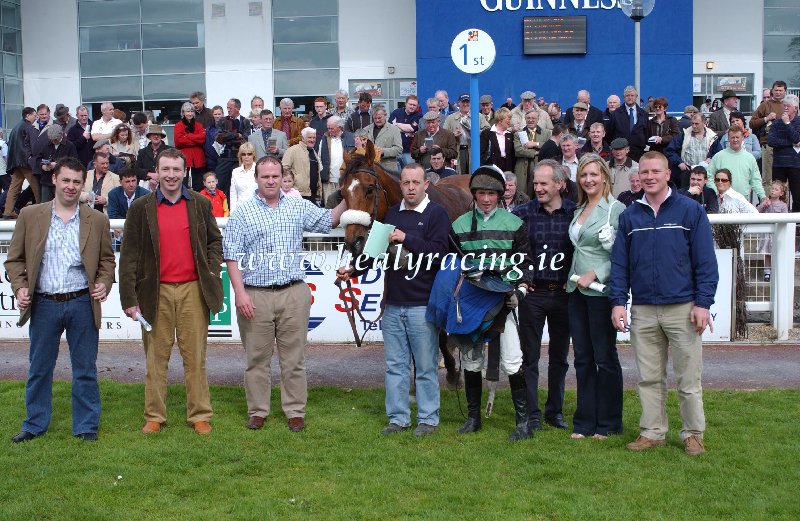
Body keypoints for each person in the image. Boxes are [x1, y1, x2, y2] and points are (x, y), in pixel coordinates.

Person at [223, 156, 347, 432]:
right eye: (265, 176)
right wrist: (240, 294)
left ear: (282, 178)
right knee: (257, 359)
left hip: (293, 292)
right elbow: (230, 256)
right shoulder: (242, 213)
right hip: (255, 295)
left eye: (275, 176)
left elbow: (329, 219)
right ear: (256, 178)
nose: (270, 181)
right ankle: (258, 411)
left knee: (294, 358)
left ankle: (294, 411)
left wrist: (351, 194)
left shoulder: (297, 206)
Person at [610, 151, 719, 456]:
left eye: (655, 171)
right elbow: (620, 266)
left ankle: (693, 433)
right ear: (638, 176)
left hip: (683, 308)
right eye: (644, 172)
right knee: (648, 377)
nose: (649, 177)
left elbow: (706, 263)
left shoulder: (689, 211)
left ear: (668, 174)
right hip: (643, 309)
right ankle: (652, 431)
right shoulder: (630, 216)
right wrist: (618, 302)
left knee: (688, 378)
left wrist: (703, 303)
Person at [5, 157, 115, 443]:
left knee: (85, 369)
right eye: (65, 180)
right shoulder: (31, 216)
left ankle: (86, 425)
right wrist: (20, 287)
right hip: (43, 303)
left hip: (81, 302)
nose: (70, 186)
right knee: (39, 368)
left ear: (83, 185)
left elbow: (106, 260)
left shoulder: (97, 219)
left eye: (77, 182)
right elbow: (14, 260)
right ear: (54, 179)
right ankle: (34, 423)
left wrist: (104, 283)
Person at [338, 162, 449, 436]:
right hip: (393, 304)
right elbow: (374, 253)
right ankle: (398, 418)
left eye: (416, 182)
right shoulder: (391, 214)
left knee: (424, 367)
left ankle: (428, 419)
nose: (411, 187)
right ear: (401, 185)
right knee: (395, 367)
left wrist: (406, 238)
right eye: (406, 183)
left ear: (426, 185)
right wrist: (352, 270)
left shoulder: (437, 214)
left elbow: (439, 253)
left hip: (422, 304)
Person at [119, 148, 224, 436]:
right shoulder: (140, 208)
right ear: (156, 172)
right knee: (155, 357)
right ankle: (154, 416)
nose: (171, 175)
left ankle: (200, 415)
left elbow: (215, 242)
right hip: (155, 292)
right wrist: (129, 299)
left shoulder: (201, 204)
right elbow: (128, 256)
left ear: (184, 172)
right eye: (165, 169)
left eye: (176, 169)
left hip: (193, 290)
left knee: (195, 357)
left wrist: (212, 270)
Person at [452, 164, 534, 441]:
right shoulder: (459, 225)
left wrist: (519, 292)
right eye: (481, 193)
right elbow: (451, 265)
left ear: (500, 195)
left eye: (491, 193)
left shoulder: (515, 225)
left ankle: (522, 423)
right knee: (472, 360)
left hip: (504, 301)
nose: (486, 199)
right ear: (474, 194)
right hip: (473, 301)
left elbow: (526, 264)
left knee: (512, 360)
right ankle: (473, 418)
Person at [512, 159, 575, 432]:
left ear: (560, 184)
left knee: (560, 357)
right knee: (530, 357)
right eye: (535, 183)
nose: (537, 188)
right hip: (534, 294)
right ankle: (532, 414)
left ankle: (555, 411)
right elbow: (513, 253)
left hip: (564, 294)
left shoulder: (576, 214)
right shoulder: (522, 213)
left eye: (543, 183)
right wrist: (524, 280)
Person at [566, 154, 625, 440]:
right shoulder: (579, 208)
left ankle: (609, 423)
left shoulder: (616, 209)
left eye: (593, 174)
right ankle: (585, 421)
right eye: (583, 175)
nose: (588, 180)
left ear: (604, 176)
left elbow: (623, 254)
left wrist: (598, 273)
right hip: (576, 291)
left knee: (605, 357)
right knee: (583, 358)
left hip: (601, 293)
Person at [706, 125, 764, 203]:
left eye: (737, 137)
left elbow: (756, 180)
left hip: (743, 202)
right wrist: (715, 191)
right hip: (721, 201)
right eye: (732, 137)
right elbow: (709, 176)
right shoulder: (718, 156)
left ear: (743, 138)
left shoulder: (750, 158)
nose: (735, 140)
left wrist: (762, 196)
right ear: (728, 139)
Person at [767, 93, 800, 212]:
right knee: (777, 195)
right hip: (779, 163)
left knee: (797, 197)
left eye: (788, 106)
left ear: (795, 108)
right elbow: (771, 141)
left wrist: (787, 123)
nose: (785, 108)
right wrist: (790, 143)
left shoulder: (798, 122)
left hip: (796, 164)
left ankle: (796, 226)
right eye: (784, 105)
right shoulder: (776, 123)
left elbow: (797, 138)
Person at [750, 80, 787, 185]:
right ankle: (767, 201)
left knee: (783, 180)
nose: (778, 92)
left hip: (785, 145)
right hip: (768, 144)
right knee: (767, 179)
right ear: (772, 91)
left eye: (780, 90)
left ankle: (782, 202)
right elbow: (752, 123)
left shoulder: (788, 105)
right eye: (776, 90)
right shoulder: (765, 105)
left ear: (785, 91)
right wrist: (766, 118)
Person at [513, 108, 551, 195]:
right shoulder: (518, 134)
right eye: (528, 118)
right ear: (525, 119)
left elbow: (548, 146)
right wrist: (535, 153)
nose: (530, 120)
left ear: (538, 119)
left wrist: (535, 144)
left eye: (533, 118)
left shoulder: (547, 133)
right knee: (522, 194)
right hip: (522, 169)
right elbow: (518, 150)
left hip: (540, 168)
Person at [758, 180, 789, 281]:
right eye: (772, 189)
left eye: (776, 189)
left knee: (777, 251)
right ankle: (767, 271)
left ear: (781, 193)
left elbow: (786, 219)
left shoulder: (783, 206)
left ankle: (777, 270)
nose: (773, 191)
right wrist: (763, 206)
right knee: (767, 252)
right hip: (767, 233)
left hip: (778, 232)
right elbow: (756, 212)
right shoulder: (766, 202)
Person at [608, 85, 648, 161]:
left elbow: (646, 133)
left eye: (632, 95)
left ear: (636, 96)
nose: (630, 97)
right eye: (627, 95)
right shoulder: (616, 114)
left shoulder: (643, 114)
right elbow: (609, 134)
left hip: (638, 154)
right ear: (624, 96)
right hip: (620, 153)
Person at [174, 101, 207, 191]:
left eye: (192, 111)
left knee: (198, 184)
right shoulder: (178, 126)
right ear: (183, 113)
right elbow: (178, 141)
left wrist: (188, 136)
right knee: (183, 182)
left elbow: (202, 139)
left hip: (198, 158)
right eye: (187, 111)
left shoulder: (198, 125)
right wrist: (195, 140)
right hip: (184, 157)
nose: (190, 113)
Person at [388, 95, 422, 169]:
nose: (412, 106)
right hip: (395, 151)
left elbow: (412, 129)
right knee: (396, 176)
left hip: (409, 152)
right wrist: (406, 129)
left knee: (410, 174)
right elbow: (390, 128)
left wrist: (396, 124)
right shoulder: (396, 112)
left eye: (414, 105)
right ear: (405, 104)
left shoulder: (418, 115)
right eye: (410, 104)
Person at [480, 107, 515, 172]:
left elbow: (512, 155)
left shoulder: (510, 134)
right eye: (508, 119)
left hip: (507, 168)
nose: (510, 121)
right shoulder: (486, 133)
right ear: (500, 120)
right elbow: (482, 154)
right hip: (491, 168)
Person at [229, 142, 258, 213]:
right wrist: (233, 212)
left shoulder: (259, 170)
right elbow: (233, 194)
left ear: (253, 155)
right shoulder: (235, 172)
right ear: (240, 156)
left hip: (257, 211)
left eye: (249, 154)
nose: (246, 156)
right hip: (240, 211)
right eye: (243, 154)